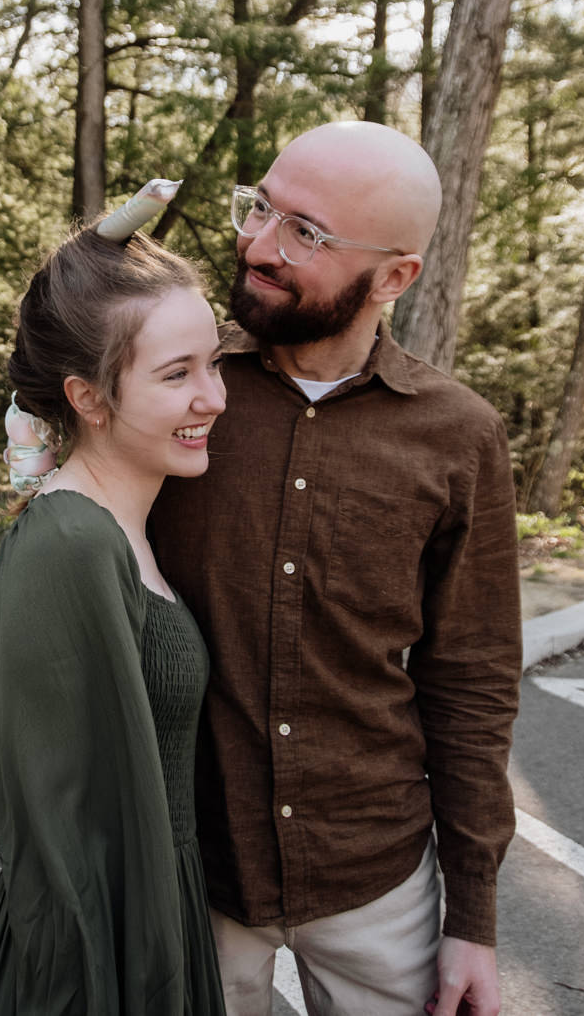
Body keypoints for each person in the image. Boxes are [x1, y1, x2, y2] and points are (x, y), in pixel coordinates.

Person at [149, 121, 521, 1016]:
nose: (259, 246)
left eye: (305, 234)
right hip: (194, 864)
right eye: (261, 209)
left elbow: (470, 683)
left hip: (374, 874)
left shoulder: (459, 436)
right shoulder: (173, 390)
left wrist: (472, 915)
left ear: (394, 277)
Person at [0, 203, 228, 1016]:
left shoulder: (127, 523)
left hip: (151, 911)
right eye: (177, 375)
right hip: (96, 957)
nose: (212, 396)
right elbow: (67, 855)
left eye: (214, 364)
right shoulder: (70, 541)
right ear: (88, 397)